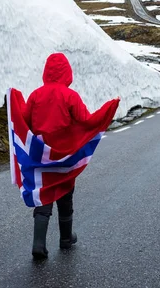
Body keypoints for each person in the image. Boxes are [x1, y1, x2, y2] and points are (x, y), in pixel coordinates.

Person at [21, 53, 119, 259]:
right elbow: (87, 121)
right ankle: (66, 238)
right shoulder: (70, 96)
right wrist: (108, 109)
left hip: (42, 156)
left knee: (44, 195)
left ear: (46, 72)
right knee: (65, 193)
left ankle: (38, 243)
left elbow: (25, 122)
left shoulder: (35, 95)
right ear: (67, 72)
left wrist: (14, 103)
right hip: (65, 157)